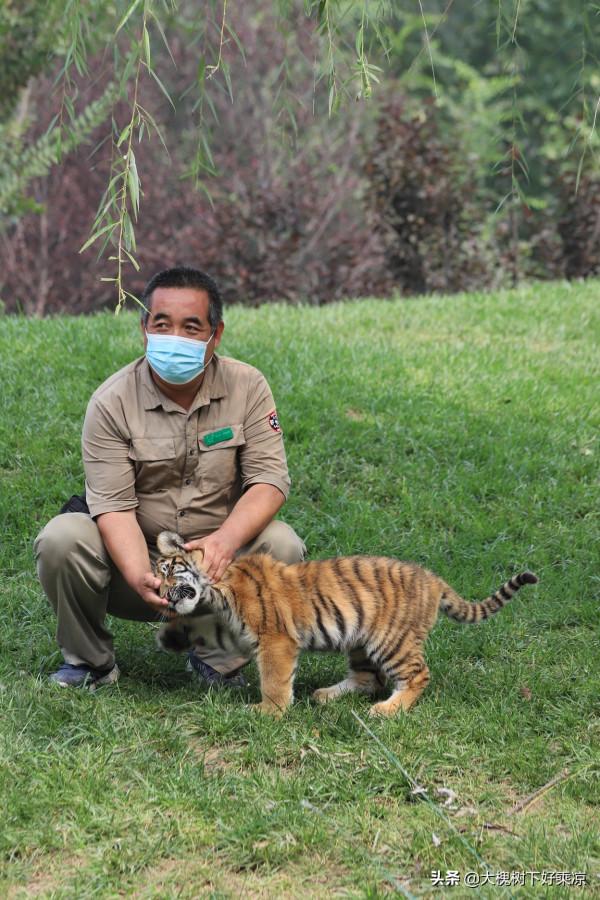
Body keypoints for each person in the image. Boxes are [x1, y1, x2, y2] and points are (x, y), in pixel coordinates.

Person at [34, 266, 305, 688]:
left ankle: (218, 657)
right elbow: (112, 505)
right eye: (162, 324)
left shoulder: (249, 386)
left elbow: (269, 480)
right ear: (144, 329)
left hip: (219, 563)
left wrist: (223, 543)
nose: (174, 337)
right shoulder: (111, 402)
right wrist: (141, 572)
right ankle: (90, 663)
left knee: (283, 544)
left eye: (191, 326)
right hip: (137, 564)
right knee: (62, 538)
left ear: (215, 335)